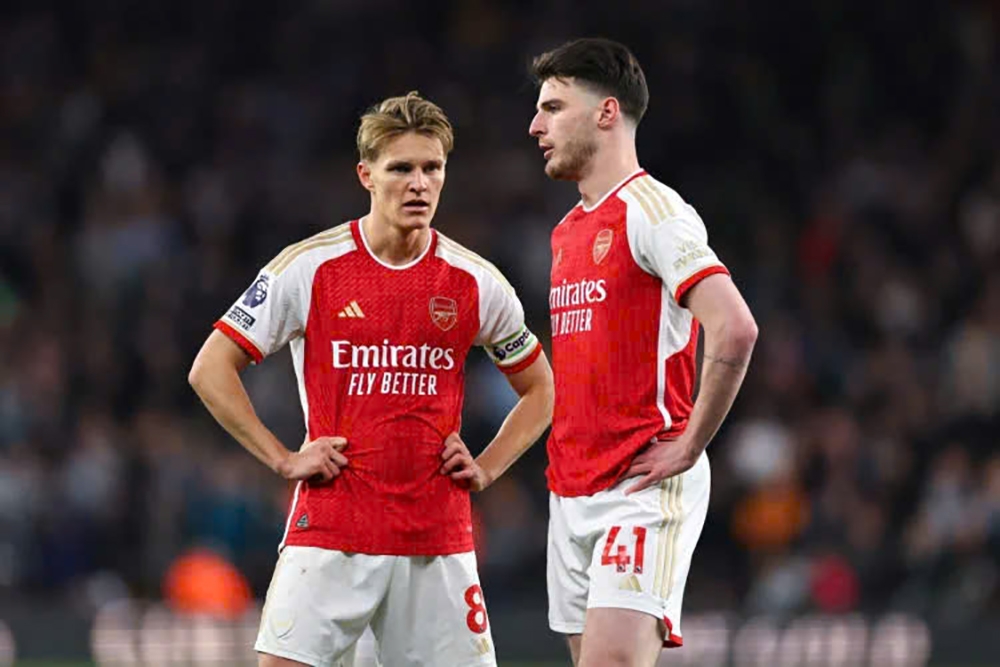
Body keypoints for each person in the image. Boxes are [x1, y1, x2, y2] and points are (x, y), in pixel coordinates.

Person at [189, 91, 554, 667]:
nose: (419, 184)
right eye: (401, 169)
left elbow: (541, 388)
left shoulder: (476, 282)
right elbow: (210, 369)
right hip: (333, 530)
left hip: (435, 541)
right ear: (366, 175)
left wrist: (488, 466)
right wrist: (283, 459)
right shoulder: (310, 267)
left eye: (432, 168)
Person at [528, 38, 758, 666]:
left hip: (640, 484)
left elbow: (735, 328)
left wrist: (690, 445)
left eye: (553, 108)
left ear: (607, 112)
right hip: (570, 490)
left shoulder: (654, 211)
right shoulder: (566, 231)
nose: (536, 126)